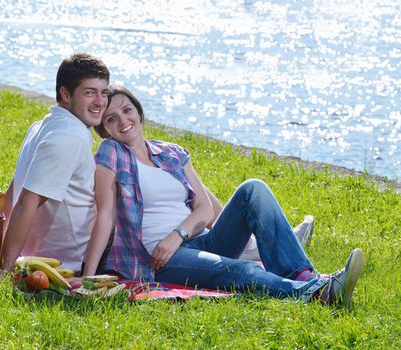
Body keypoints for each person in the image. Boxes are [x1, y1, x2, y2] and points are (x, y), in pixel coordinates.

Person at [83, 85, 364, 309]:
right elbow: (105, 215)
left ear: (139, 112)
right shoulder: (112, 153)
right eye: (111, 118)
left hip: (194, 241)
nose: (123, 120)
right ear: (104, 129)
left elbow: (204, 208)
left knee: (253, 188)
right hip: (159, 261)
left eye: (127, 110)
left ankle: (304, 276)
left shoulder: (171, 152)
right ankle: (319, 293)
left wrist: (177, 234)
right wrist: (88, 277)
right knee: (243, 272)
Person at [0, 53, 110, 272]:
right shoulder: (68, 137)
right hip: (68, 261)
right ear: (66, 95)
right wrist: (5, 268)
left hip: (44, 253)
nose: (100, 102)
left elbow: (12, 195)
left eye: (104, 92)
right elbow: (25, 202)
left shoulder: (42, 126)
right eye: (89, 93)